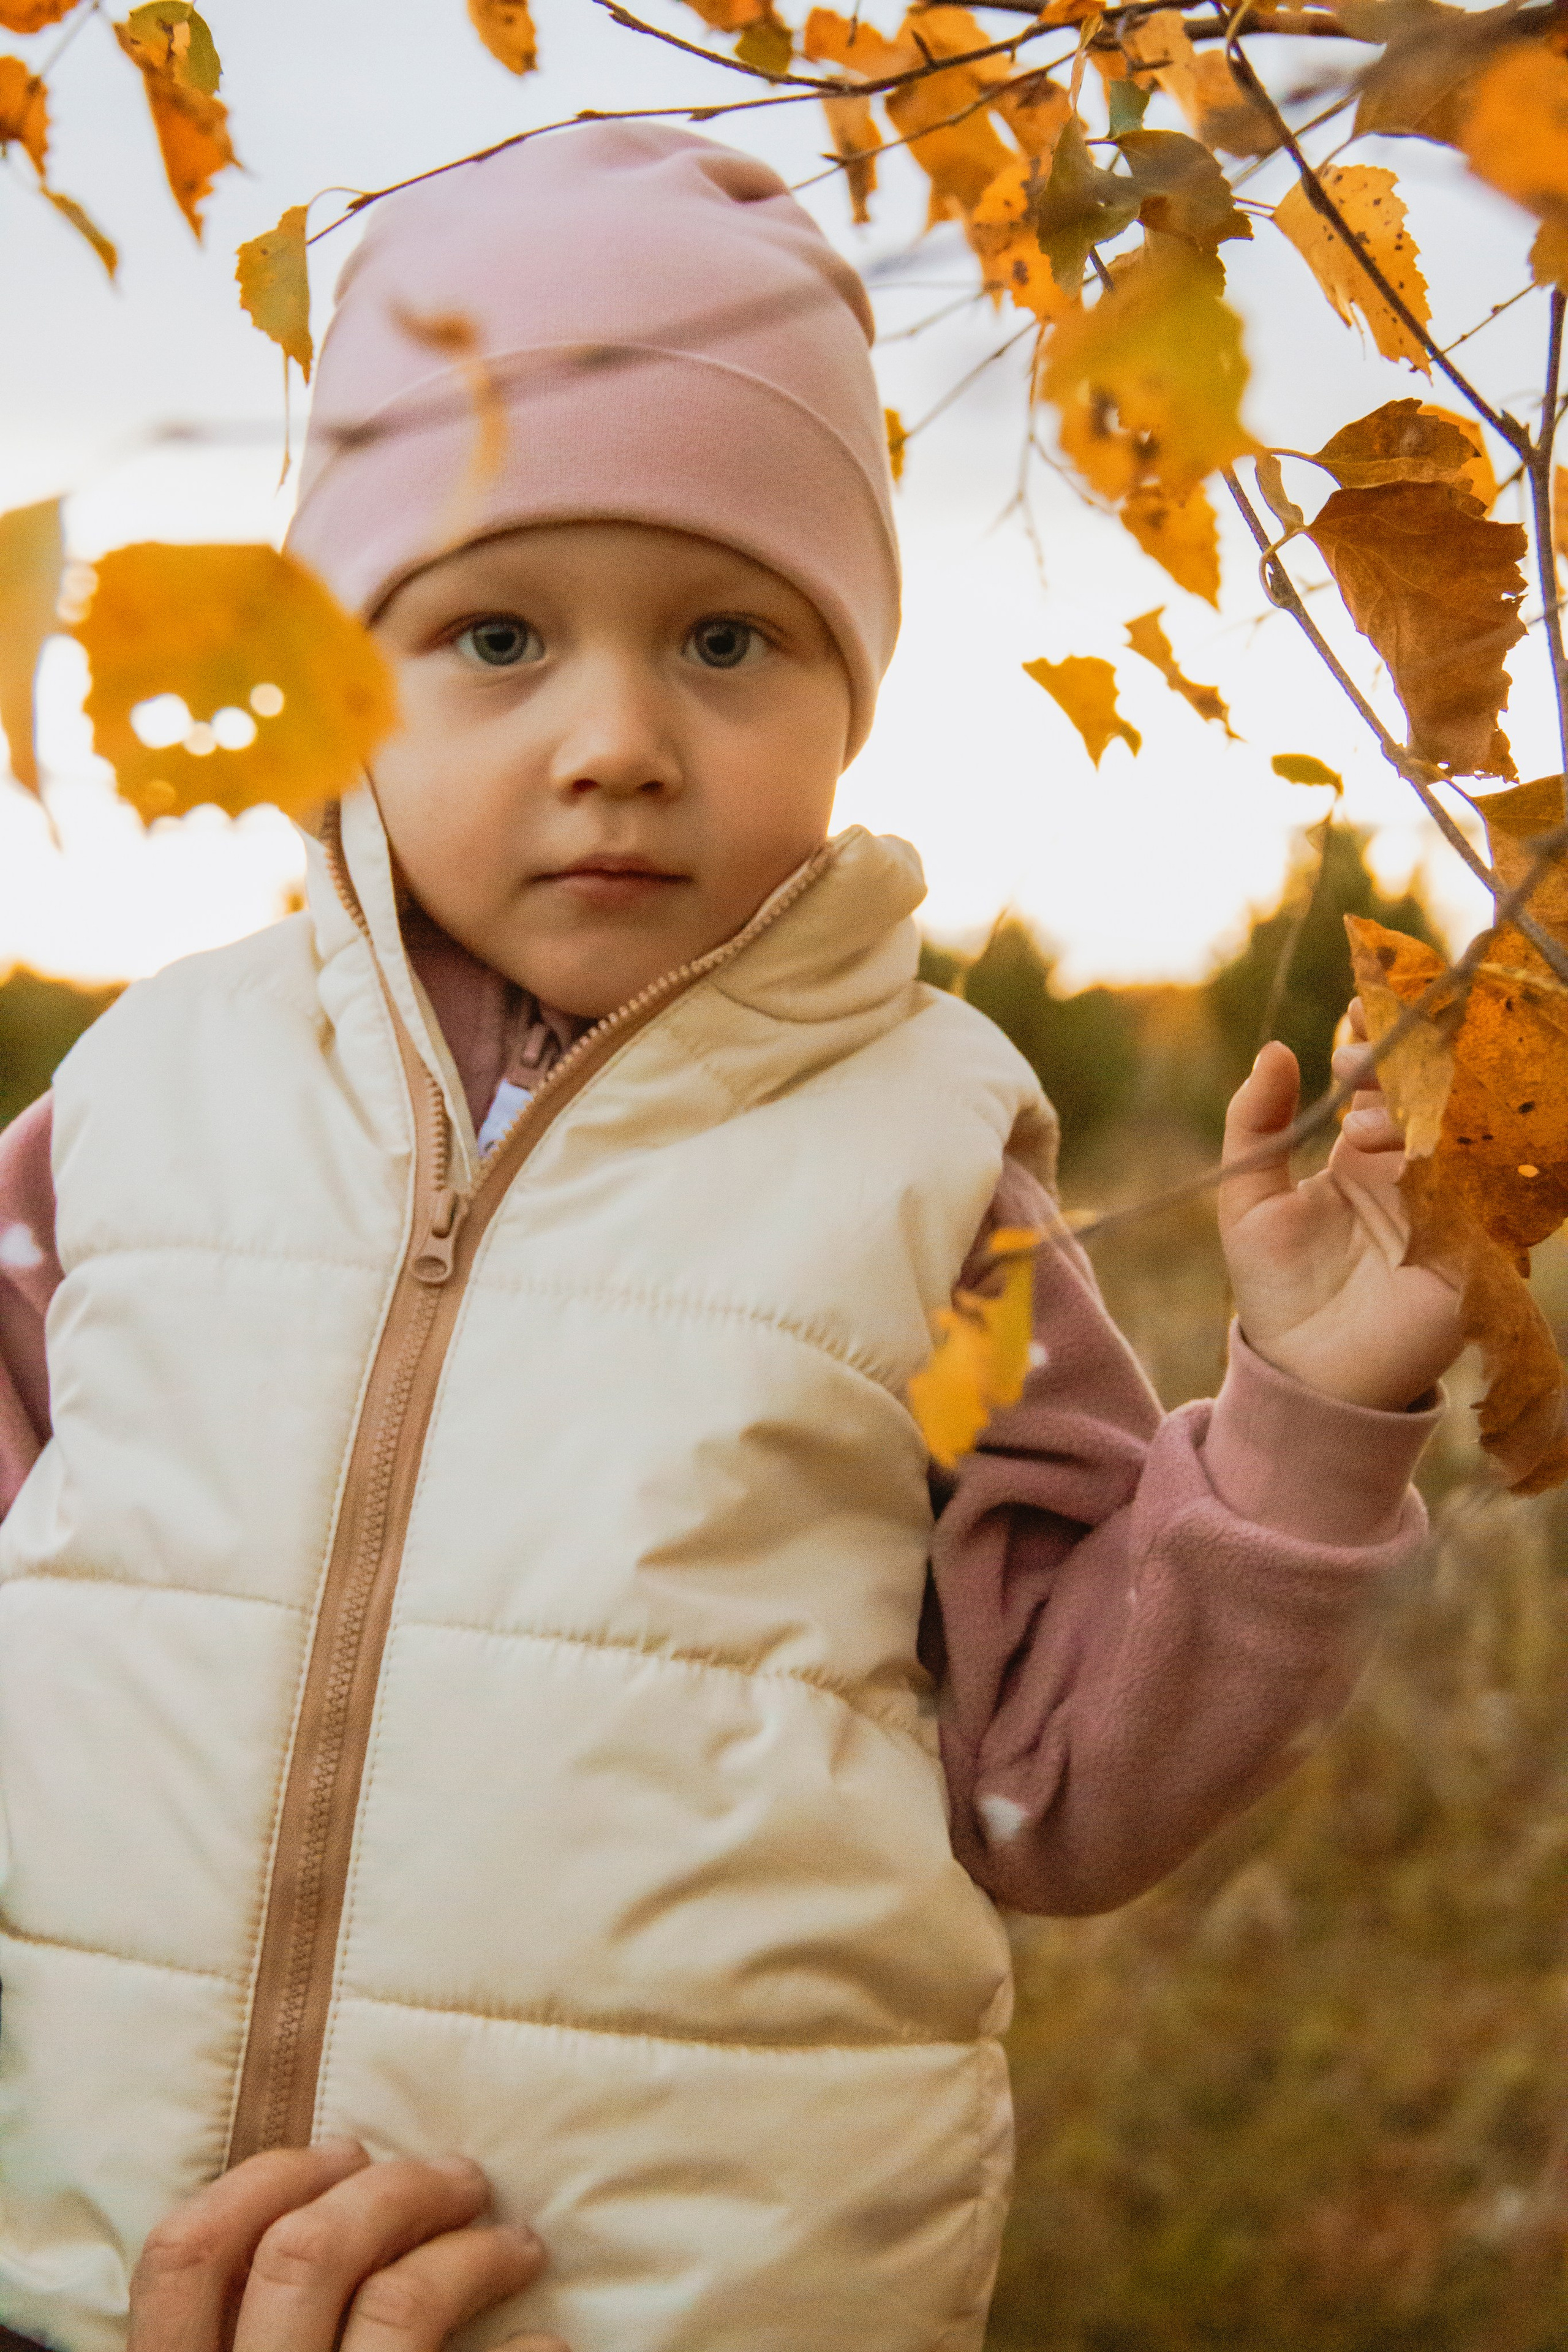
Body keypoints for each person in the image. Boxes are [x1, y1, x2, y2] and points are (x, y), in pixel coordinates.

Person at [0, 123, 1461, 2352]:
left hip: (687, 2303)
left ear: (850, 694)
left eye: (724, 638)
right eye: (497, 634)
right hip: (88, 2273)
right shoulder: (134, 1113)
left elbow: (1055, 1788)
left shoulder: (927, 1171)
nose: (619, 741)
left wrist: (1309, 1429)